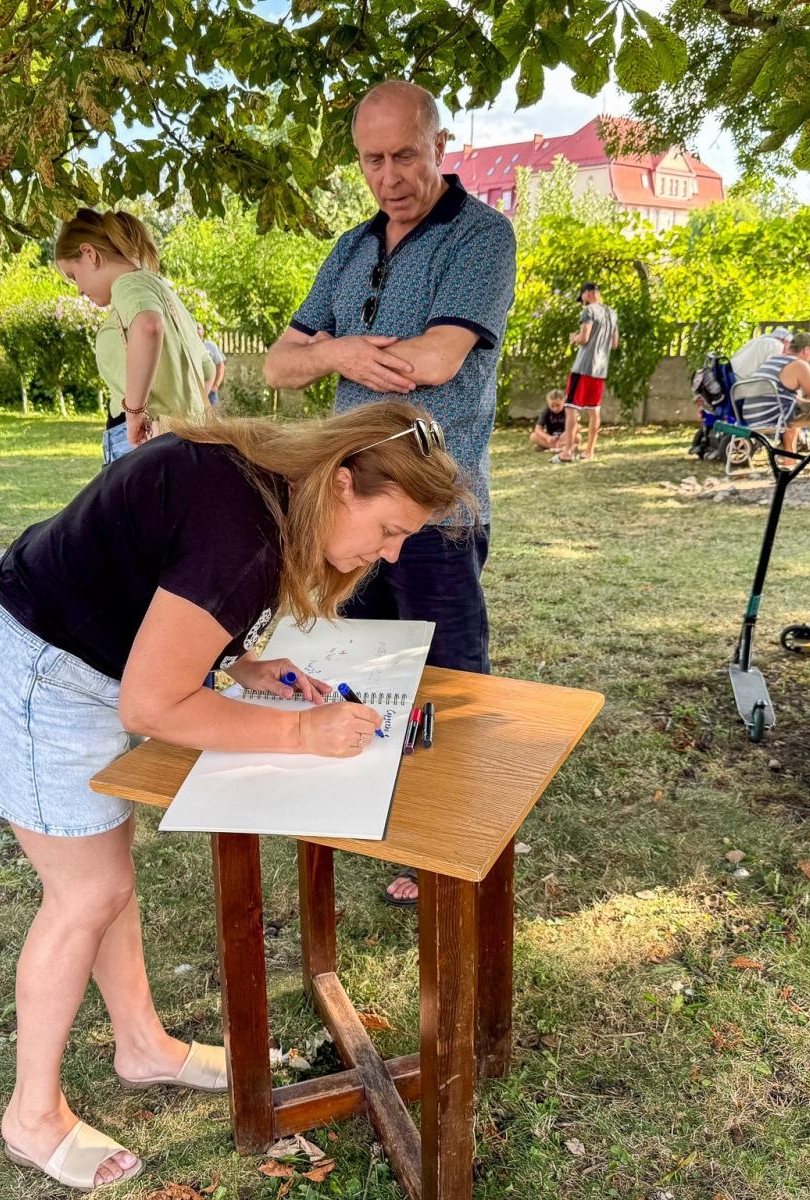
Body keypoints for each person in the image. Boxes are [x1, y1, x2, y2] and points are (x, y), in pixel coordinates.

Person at [0, 402, 468, 1190]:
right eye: (389, 529)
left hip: (68, 652)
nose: (391, 555)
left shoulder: (266, 486)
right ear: (341, 480)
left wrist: (236, 663)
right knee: (87, 893)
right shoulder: (243, 532)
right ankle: (30, 1115)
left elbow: (163, 581)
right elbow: (152, 706)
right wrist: (303, 733)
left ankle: (142, 1047)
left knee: (106, 880)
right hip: (34, 668)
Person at [261, 78, 515, 907]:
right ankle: (371, 812)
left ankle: (449, 838)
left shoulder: (481, 236)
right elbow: (279, 365)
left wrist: (336, 350)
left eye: (405, 155)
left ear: (441, 145)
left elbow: (437, 359)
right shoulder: (348, 248)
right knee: (357, 667)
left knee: (449, 682)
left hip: (436, 510)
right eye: (372, 160)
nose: (389, 176)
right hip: (348, 511)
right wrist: (338, 354)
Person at [55, 210, 210, 465]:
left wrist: (135, 413)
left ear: (89, 253)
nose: (79, 290)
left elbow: (148, 325)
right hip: (182, 440)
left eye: (73, 276)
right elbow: (206, 367)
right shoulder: (163, 291)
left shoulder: (128, 285)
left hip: (144, 439)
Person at [745, 330, 810, 452]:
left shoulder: (773, 360)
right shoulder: (799, 365)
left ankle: (789, 459)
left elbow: (794, 400)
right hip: (774, 416)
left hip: (751, 416)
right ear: (807, 350)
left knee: (794, 410)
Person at [554, 282, 618, 463]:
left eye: (582, 297)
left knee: (570, 408)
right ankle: (589, 451)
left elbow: (584, 338)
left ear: (587, 294)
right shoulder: (611, 314)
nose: (582, 301)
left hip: (583, 368)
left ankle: (567, 452)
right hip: (600, 370)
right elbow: (614, 344)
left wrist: (574, 338)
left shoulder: (588, 311)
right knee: (594, 410)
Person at [199, 325, 226, 406]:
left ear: (203, 331)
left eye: (199, 328)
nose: (196, 330)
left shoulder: (210, 346)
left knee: (213, 412)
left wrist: (215, 385)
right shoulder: (189, 346)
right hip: (196, 390)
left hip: (210, 390)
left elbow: (220, 366)